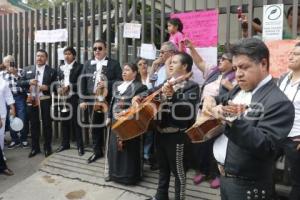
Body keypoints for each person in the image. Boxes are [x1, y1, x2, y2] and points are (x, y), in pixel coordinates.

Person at [202, 38, 294, 200]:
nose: (237, 74)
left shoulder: (279, 102)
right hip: (225, 178)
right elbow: (222, 102)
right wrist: (209, 101)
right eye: (236, 68)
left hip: (249, 187)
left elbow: (266, 146)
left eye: (244, 67)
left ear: (263, 64)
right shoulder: (239, 89)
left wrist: (231, 119)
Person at [134, 52, 200, 200]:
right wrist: (138, 97)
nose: (170, 64)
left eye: (174, 62)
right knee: (163, 168)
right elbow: (149, 91)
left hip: (177, 135)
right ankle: (160, 196)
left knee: (179, 172)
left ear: (185, 66)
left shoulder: (192, 86)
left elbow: (187, 111)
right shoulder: (167, 82)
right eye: (170, 62)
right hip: (160, 132)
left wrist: (172, 96)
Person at [186, 39, 236, 189]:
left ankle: (217, 174)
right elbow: (200, 62)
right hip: (203, 114)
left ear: (233, 63)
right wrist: (191, 47)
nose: (220, 61)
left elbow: (240, 96)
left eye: (224, 59)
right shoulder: (214, 71)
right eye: (219, 58)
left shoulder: (236, 77)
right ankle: (202, 171)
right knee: (201, 144)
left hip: (219, 118)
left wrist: (231, 87)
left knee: (217, 145)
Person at [79, 39, 122, 164]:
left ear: (106, 49)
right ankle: (97, 151)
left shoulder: (114, 64)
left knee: (110, 126)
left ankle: (111, 152)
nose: (97, 51)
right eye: (95, 48)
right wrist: (82, 99)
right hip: (92, 100)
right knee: (95, 127)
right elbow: (81, 82)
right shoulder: (87, 64)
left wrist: (107, 83)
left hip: (108, 100)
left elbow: (120, 81)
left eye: (100, 48)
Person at [106, 63, 147, 185]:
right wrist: (109, 116)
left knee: (128, 150)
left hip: (130, 125)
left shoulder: (140, 87)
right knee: (114, 149)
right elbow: (112, 102)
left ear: (135, 73)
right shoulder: (117, 85)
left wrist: (126, 113)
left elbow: (140, 107)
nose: (124, 72)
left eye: (127, 70)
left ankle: (129, 177)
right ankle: (114, 174)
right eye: (123, 70)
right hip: (115, 122)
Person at [20, 49, 56, 158]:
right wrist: (28, 82)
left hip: (45, 98)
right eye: (37, 56)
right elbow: (19, 82)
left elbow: (56, 86)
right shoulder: (27, 69)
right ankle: (35, 148)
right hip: (31, 99)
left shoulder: (52, 71)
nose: (39, 58)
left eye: (42, 56)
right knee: (34, 124)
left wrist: (48, 87)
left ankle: (47, 147)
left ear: (46, 58)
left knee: (47, 124)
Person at [277, 42, 300, 200]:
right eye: (291, 53)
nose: (291, 56)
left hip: (296, 138)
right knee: (263, 167)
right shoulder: (284, 78)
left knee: (297, 179)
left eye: (296, 54)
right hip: (277, 133)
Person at [55, 47, 84, 156]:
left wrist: (69, 87)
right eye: (65, 54)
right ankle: (64, 144)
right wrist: (58, 88)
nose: (66, 56)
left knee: (76, 122)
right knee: (64, 122)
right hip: (63, 98)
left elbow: (82, 82)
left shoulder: (80, 67)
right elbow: (57, 81)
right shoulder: (60, 67)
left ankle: (80, 146)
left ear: (74, 56)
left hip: (74, 97)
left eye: (69, 54)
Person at [1, 55, 28, 149]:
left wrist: (15, 74)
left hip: (19, 97)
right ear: (4, 64)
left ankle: (24, 139)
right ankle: (14, 140)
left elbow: (25, 83)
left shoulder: (21, 71)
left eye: (10, 61)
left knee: (22, 117)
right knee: (11, 118)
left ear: (13, 62)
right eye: (6, 62)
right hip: (8, 99)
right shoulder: (2, 74)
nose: (8, 63)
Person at [0, 76, 16, 174]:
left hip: (2, 113)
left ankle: (1, 155)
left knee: (1, 136)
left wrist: (12, 108)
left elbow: (8, 96)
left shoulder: (2, 81)